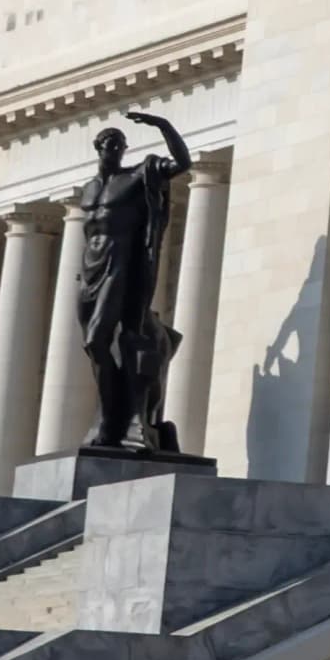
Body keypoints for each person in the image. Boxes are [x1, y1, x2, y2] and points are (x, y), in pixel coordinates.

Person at [71, 114, 195, 454]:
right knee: (92, 346)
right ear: (98, 148)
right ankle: (111, 416)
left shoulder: (137, 176)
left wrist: (163, 126)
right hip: (91, 271)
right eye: (110, 144)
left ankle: (117, 419)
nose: (115, 149)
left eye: (120, 145)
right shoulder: (89, 189)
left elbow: (183, 163)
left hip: (120, 268)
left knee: (99, 338)